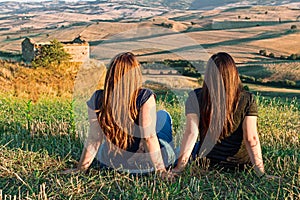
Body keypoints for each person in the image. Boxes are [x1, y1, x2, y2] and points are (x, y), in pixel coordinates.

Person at [62, 52, 175, 178]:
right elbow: (148, 137)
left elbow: (95, 138)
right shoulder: (144, 96)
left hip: (111, 163)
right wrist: (161, 171)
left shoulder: (98, 98)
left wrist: (81, 169)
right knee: (163, 116)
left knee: (103, 145)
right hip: (144, 164)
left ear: (110, 74)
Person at [173, 52, 271, 178]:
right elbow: (251, 139)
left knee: (175, 150)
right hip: (240, 165)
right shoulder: (247, 99)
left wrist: (179, 168)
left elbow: (191, 133)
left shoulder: (195, 97)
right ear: (233, 74)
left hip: (208, 162)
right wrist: (261, 174)